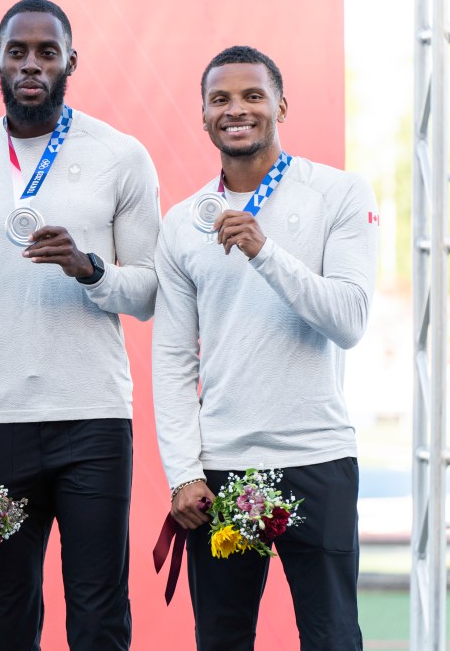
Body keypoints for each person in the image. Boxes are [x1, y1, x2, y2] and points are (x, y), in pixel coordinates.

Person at [0, 0, 161, 651]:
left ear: (70, 63)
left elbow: (148, 292)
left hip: (92, 419)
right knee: (6, 613)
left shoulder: (120, 155)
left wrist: (91, 270)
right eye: (18, 52)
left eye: (46, 52)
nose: (31, 64)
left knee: (98, 612)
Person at [153, 45, 378, 650]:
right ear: (203, 115)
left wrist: (265, 251)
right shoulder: (181, 224)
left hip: (318, 456)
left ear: (281, 104)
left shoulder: (339, 194)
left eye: (253, 95)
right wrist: (182, 473)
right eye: (220, 99)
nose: (237, 110)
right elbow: (174, 362)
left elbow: (351, 320)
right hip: (223, 466)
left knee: (332, 637)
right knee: (222, 639)